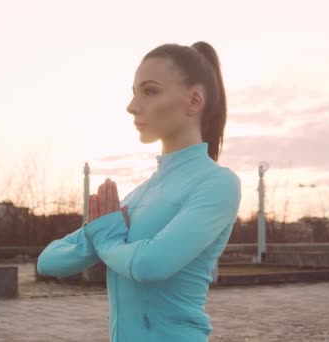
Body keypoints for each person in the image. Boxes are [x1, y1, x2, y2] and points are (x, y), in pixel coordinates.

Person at [37, 41, 242, 342]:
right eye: (134, 92)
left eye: (149, 91)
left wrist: (105, 238)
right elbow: (49, 261)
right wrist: (104, 238)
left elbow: (151, 264)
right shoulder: (139, 195)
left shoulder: (217, 184)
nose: (132, 106)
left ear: (194, 101)